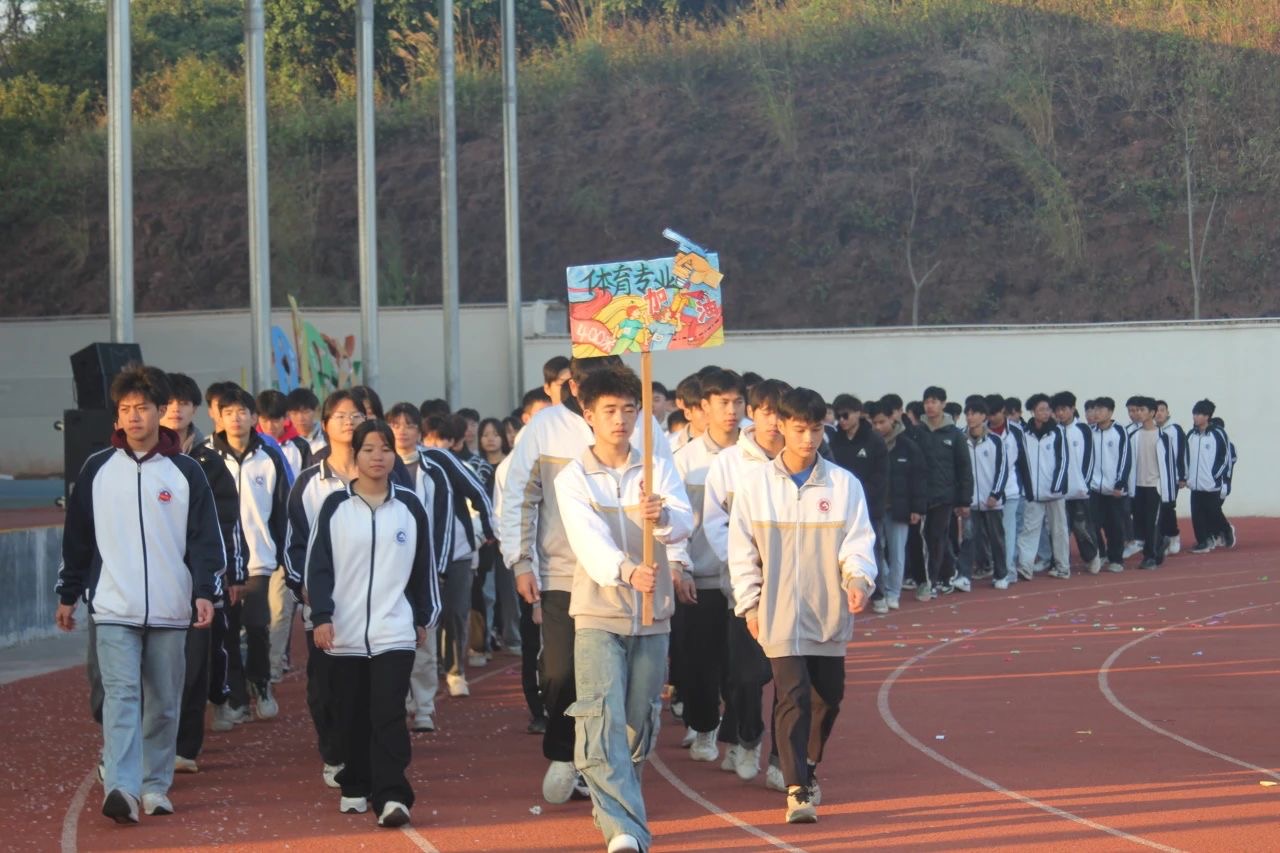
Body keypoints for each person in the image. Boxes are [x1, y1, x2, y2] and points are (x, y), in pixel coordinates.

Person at [499, 355, 674, 805]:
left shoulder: (644, 427)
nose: (618, 416)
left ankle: (615, 771)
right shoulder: (545, 428)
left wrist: (680, 561)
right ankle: (566, 750)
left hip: (635, 577)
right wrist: (520, 560)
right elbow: (519, 495)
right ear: (574, 388)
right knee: (560, 672)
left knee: (627, 689)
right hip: (564, 571)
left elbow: (670, 503)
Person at [56, 365, 223, 822]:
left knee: (164, 703)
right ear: (117, 416)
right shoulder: (97, 469)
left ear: (160, 411)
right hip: (113, 607)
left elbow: (205, 540)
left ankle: (154, 785)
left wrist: (204, 591)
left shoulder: (186, 472)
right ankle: (122, 788)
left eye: (143, 408)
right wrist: (68, 594)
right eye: (126, 409)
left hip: (171, 608)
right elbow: (78, 539)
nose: (133, 416)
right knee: (122, 697)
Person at [555, 365, 694, 853]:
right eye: (609, 410)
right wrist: (625, 570)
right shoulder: (574, 478)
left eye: (629, 410)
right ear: (588, 414)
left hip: (653, 616)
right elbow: (586, 538)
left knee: (638, 720)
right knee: (601, 716)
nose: (620, 419)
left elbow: (684, 523)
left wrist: (664, 517)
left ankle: (615, 804)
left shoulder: (656, 467)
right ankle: (624, 830)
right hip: (598, 613)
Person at [728, 387, 876, 825]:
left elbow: (858, 542)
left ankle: (807, 766)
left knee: (828, 697)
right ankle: (796, 788)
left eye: (815, 430)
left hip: (827, 610)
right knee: (791, 696)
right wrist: (749, 604)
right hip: (776, 612)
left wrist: (858, 578)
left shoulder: (844, 485)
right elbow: (741, 551)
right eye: (799, 430)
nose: (808, 439)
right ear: (782, 427)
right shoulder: (756, 485)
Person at [306, 420, 440, 828]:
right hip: (343, 633)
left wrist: (422, 617)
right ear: (356, 455)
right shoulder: (335, 506)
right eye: (368, 449)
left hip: (394, 629)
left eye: (385, 449)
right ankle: (355, 783)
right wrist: (322, 616)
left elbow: (424, 568)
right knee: (350, 714)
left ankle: (392, 795)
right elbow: (318, 568)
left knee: (387, 713)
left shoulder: (409, 507)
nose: (377, 457)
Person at [703, 378, 790, 787]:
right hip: (745, 589)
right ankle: (748, 735)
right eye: (767, 412)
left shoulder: (803, 459)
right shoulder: (729, 463)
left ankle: (781, 759)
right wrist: (745, 565)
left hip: (792, 590)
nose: (774, 422)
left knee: (790, 680)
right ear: (752, 413)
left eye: (781, 413)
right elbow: (714, 522)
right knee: (745, 676)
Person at [160, 372, 247, 764]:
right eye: (169, 403)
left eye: (184, 403)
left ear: (196, 409)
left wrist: (225, 573)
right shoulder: (139, 461)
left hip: (198, 578)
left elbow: (226, 522)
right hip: (154, 578)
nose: (176, 410)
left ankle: (184, 747)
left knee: (196, 664)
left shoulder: (209, 462)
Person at [285, 390, 366, 789]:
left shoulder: (381, 473)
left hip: (371, 601)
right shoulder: (308, 482)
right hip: (323, 604)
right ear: (326, 424)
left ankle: (364, 754)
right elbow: (293, 543)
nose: (349, 422)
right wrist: (304, 588)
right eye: (340, 416)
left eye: (356, 415)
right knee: (324, 687)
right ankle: (334, 755)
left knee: (367, 684)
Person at [668, 369, 745, 765]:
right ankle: (703, 725)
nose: (731, 410)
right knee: (700, 661)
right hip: (701, 577)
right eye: (722, 403)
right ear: (704, 407)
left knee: (742, 666)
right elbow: (673, 522)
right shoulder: (685, 460)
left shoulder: (756, 454)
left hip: (746, 578)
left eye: (737, 402)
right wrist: (680, 567)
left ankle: (739, 737)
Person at [207, 386, 290, 722]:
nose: (235, 418)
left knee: (257, 625)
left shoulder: (269, 457)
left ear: (254, 417)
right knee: (226, 631)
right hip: (221, 560)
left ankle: (261, 682)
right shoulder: (206, 457)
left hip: (259, 559)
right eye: (228, 412)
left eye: (242, 412)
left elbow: (282, 509)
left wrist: (285, 556)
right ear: (218, 416)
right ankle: (237, 697)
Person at [387, 403, 454, 733]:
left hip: (424, 567)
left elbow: (443, 522)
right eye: (396, 424)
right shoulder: (380, 468)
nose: (402, 431)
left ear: (420, 430)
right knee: (393, 639)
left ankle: (425, 706)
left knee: (424, 639)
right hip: (390, 568)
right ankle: (399, 701)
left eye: (409, 425)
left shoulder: (434, 470)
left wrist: (438, 568)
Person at [420, 415, 496, 698]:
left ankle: (455, 670)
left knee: (455, 611)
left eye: (441, 439)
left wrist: (486, 530)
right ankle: (429, 670)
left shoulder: (451, 464)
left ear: (453, 442)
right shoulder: (402, 466)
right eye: (430, 438)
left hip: (458, 551)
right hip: (423, 554)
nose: (435, 444)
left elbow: (478, 495)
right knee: (427, 614)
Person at [497, 388, 555, 733]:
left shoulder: (571, 452)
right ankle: (538, 708)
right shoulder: (512, 465)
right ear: (526, 419)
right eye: (538, 415)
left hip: (564, 568)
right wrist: (523, 564)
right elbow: (506, 517)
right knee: (534, 643)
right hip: (531, 568)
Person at [827, 394, 888, 608]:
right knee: (840, 550)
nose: (842, 421)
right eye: (838, 417)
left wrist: (860, 496)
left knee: (873, 549)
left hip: (870, 506)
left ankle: (878, 594)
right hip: (840, 506)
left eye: (846, 415)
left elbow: (881, 476)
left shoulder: (874, 441)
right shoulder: (835, 441)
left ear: (857, 414)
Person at [914, 386, 972, 600]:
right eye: (927, 402)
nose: (930, 406)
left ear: (943, 404)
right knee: (925, 538)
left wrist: (964, 499)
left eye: (934, 401)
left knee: (936, 537)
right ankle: (949, 573)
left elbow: (964, 468)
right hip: (921, 495)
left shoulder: (954, 434)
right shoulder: (917, 432)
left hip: (944, 496)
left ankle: (933, 580)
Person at [869, 400, 925, 608]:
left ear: (892, 419)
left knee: (897, 552)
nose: (878, 427)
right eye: (874, 423)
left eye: (881, 422)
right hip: (875, 507)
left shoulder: (907, 445)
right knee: (875, 550)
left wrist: (917, 508)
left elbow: (918, 478)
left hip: (900, 507)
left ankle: (894, 592)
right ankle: (882, 586)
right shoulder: (871, 445)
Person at [956, 397, 1009, 590]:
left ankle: (1001, 575)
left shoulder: (995, 440)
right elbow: (957, 471)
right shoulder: (960, 439)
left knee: (996, 539)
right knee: (968, 538)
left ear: (983, 416)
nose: (970, 417)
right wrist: (961, 498)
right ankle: (964, 576)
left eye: (974, 413)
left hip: (991, 501)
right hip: (970, 501)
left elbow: (1002, 469)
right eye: (968, 414)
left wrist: (995, 494)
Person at [1016, 394, 1070, 579]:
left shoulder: (1058, 433)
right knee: (1029, 530)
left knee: (1059, 531)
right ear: (1033, 411)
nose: (1046, 413)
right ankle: (1025, 566)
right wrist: (1027, 488)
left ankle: (1063, 567)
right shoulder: (1024, 434)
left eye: (1048, 409)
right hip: (1033, 493)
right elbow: (1021, 463)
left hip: (1055, 493)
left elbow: (1063, 461)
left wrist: (1057, 485)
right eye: (1041, 409)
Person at [1051, 391, 1101, 574]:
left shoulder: (1083, 429)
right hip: (1059, 490)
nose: (1060, 413)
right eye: (1057, 410)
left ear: (1072, 409)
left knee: (1082, 527)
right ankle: (1058, 562)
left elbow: (1089, 457)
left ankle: (1092, 556)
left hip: (1079, 489)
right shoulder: (1053, 430)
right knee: (1058, 529)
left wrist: (1085, 483)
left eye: (1064, 409)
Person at [1127, 397, 1174, 569]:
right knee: (1140, 522)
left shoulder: (1163, 437)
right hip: (1137, 486)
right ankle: (1160, 543)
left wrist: (1168, 491)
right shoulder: (1133, 436)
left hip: (1155, 486)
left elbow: (1169, 465)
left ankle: (1150, 557)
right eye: (1137, 410)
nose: (1138, 413)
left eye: (1142, 410)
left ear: (1152, 413)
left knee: (1152, 523)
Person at [985, 393, 1027, 583]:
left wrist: (1028, 489)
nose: (991, 418)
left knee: (1008, 531)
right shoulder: (979, 431)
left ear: (1003, 411)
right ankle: (996, 566)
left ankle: (1008, 570)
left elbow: (1023, 461)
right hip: (986, 492)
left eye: (994, 414)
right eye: (988, 414)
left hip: (1010, 489)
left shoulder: (1016, 431)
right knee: (991, 534)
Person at [1087, 397, 1131, 573]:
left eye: (1101, 409)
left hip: (1114, 489)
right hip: (1094, 488)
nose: (1096, 413)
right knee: (1092, 524)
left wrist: (1120, 483)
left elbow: (1125, 458)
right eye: (1095, 409)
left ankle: (1116, 559)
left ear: (1110, 412)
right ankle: (1101, 553)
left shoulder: (1120, 431)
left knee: (1114, 526)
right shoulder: (1090, 432)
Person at [1185, 400, 1234, 553]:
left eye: (1199, 414)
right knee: (1197, 514)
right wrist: (1187, 476)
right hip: (1195, 484)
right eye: (1194, 413)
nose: (1195, 417)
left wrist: (1214, 476)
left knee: (1213, 512)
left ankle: (1225, 529)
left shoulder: (1218, 434)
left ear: (1207, 416)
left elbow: (1225, 458)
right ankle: (1204, 541)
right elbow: (1185, 457)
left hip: (1211, 484)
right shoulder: (1191, 435)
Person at [1154, 400, 1188, 554]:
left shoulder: (1174, 429)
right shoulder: (1152, 430)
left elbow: (1181, 452)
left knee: (1167, 507)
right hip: (1156, 477)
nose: (1159, 413)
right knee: (1157, 510)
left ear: (1167, 412)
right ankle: (1162, 540)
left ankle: (1173, 535)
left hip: (1172, 477)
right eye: (1156, 410)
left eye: (1162, 410)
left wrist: (1182, 476)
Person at [258, 388, 312, 478]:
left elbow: (308, 480)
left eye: (275, 421)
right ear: (257, 418)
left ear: (286, 416)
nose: (270, 426)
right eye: (265, 420)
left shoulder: (301, 446)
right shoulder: (250, 445)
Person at [286, 387, 326, 453]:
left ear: (315, 411)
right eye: (294, 413)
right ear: (288, 414)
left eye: (305, 412)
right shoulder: (285, 443)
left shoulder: (328, 435)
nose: (300, 418)